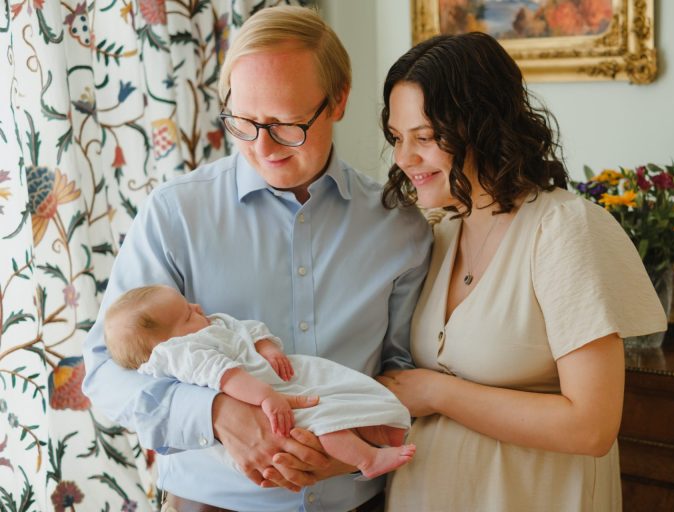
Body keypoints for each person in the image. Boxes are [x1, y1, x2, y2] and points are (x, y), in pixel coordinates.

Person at [82, 5, 432, 512]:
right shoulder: (176, 214)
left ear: (338, 100)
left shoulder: (399, 226)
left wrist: (351, 452)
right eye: (243, 122)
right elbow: (107, 369)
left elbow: (402, 371)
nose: (263, 147)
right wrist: (216, 412)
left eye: (286, 124)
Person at [376, 32, 667, 511]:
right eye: (396, 138)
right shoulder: (437, 231)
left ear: (483, 126)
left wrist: (438, 392)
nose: (403, 158)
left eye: (424, 138)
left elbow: (591, 427)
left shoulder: (563, 230)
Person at [104, 285, 416, 479]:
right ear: (167, 344)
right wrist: (266, 397)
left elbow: (246, 329)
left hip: (284, 382)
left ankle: (379, 428)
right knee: (324, 423)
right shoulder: (184, 353)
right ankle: (368, 459)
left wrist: (266, 347)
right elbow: (227, 375)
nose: (197, 308)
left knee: (341, 391)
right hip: (263, 402)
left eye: (190, 306)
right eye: (187, 315)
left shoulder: (209, 326)